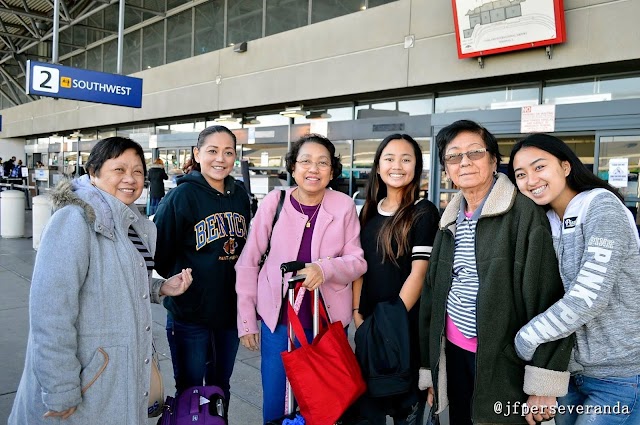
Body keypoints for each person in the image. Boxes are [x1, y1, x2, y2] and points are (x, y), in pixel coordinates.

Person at [8, 137, 193, 425]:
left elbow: (116, 283)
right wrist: (60, 388)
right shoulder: (75, 220)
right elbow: (50, 312)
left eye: (137, 172)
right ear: (93, 172)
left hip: (117, 376)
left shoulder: (131, 223)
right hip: (88, 379)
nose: (130, 179)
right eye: (118, 170)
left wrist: (160, 288)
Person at [418, 120, 574, 425]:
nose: (464, 162)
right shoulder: (447, 220)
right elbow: (432, 296)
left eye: (474, 152)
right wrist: (432, 369)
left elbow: (547, 299)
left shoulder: (523, 214)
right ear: (446, 169)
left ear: (493, 161)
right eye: (453, 156)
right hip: (453, 350)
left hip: (503, 359)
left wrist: (544, 382)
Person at [509, 133, 640, 425]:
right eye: (521, 174)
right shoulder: (544, 221)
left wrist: (523, 340)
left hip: (619, 375)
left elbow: (588, 298)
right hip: (569, 373)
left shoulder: (600, 206)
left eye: (539, 167)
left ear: (566, 167)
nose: (531, 180)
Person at [235, 133, 367, 424]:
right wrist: (246, 320)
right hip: (279, 320)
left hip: (326, 322)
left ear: (332, 171)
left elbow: (357, 261)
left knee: (324, 400)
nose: (313, 169)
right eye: (305, 161)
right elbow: (248, 261)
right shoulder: (275, 201)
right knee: (276, 398)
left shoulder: (344, 206)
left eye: (323, 163)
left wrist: (325, 268)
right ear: (293, 167)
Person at [153, 125, 252, 405]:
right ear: (197, 153)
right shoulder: (181, 196)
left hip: (228, 314)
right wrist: (180, 282)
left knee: (221, 387)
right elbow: (160, 255)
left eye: (228, 152)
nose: (220, 158)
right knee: (190, 389)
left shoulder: (240, 195)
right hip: (190, 315)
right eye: (212, 151)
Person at [353, 134, 440, 425]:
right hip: (370, 329)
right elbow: (359, 268)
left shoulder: (423, 212)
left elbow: (420, 272)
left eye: (406, 159)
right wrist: (357, 315)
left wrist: (390, 323)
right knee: (368, 413)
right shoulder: (366, 212)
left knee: (407, 413)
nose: (397, 165)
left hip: (404, 331)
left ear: (417, 167)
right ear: (378, 167)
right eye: (389, 158)